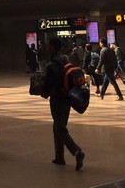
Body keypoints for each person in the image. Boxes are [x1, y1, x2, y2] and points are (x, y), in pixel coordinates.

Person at [41, 36, 84, 170]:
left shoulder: (51, 65)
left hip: (57, 99)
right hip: (68, 97)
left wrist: (44, 93)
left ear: (53, 47)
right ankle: (59, 157)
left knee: (60, 128)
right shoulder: (66, 59)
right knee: (58, 126)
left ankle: (77, 151)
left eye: (49, 46)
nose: (48, 48)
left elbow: (48, 84)